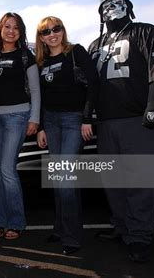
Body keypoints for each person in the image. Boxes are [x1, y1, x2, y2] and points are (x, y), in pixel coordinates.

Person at [87, 0, 154, 263]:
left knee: (141, 181)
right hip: (106, 123)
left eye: (116, 3)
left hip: (137, 120)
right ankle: (122, 226)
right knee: (113, 181)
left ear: (128, 5)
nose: (110, 8)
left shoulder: (147, 32)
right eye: (105, 5)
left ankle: (139, 236)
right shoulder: (94, 45)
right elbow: (89, 86)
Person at [35, 16, 98, 255]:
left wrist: (86, 118)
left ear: (63, 30)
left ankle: (72, 237)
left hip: (73, 121)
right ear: (41, 37)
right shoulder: (40, 62)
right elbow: (39, 97)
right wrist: (41, 126)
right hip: (51, 121)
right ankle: (60, 229)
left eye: (56, 29)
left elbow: (93, 85)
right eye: (46, 32)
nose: (52, 34)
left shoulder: (76, 52)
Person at [0, 12, 40, 240]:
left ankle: (16, 222)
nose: (11, 31)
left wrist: (34, 118)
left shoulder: (26, 56)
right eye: (7, 26)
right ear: (0, 29)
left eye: (15, 28)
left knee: (7, 170)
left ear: (21, 32)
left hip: (17, 117)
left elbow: (36, 90)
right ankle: (0, 220)